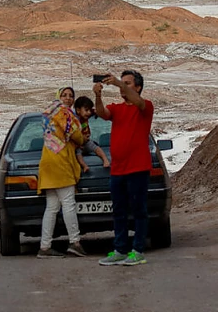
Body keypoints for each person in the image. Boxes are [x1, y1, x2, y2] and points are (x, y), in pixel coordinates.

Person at [93, 70, 154, 266]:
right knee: (118, 211)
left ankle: (138, 250)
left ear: (137, 87)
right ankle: (120, 249)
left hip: (137, 167)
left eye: (128, 83)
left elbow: (139, 102)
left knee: (139, 210)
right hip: (118, 169)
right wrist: (97, 95)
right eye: (123, 83)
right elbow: (102, 113)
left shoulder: (145, 107)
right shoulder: (117, 109)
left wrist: (119, 84)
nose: (123, 86)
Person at [37, 86, 87, 258]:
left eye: (70, 96)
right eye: (64, 95)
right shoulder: (65, 114)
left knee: (51, 207)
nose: (67, 98)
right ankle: (75, 242)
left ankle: (45, 247)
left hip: (47, 162)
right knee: (68, 203)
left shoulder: (48, 113)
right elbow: (77, 136)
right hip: (61, 162)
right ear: (59, 96)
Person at [72, 96, 111, 172]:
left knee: (97, 148)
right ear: (78, 110)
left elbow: (96, 111)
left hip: (86, 142)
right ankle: (84, 166)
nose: (89, 112)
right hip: (78, 144)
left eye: (90, 110)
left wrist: (96, 112)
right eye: (86, 110)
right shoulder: (74, 120)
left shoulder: (87, 115)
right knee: (78, 154)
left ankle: (105, 159)